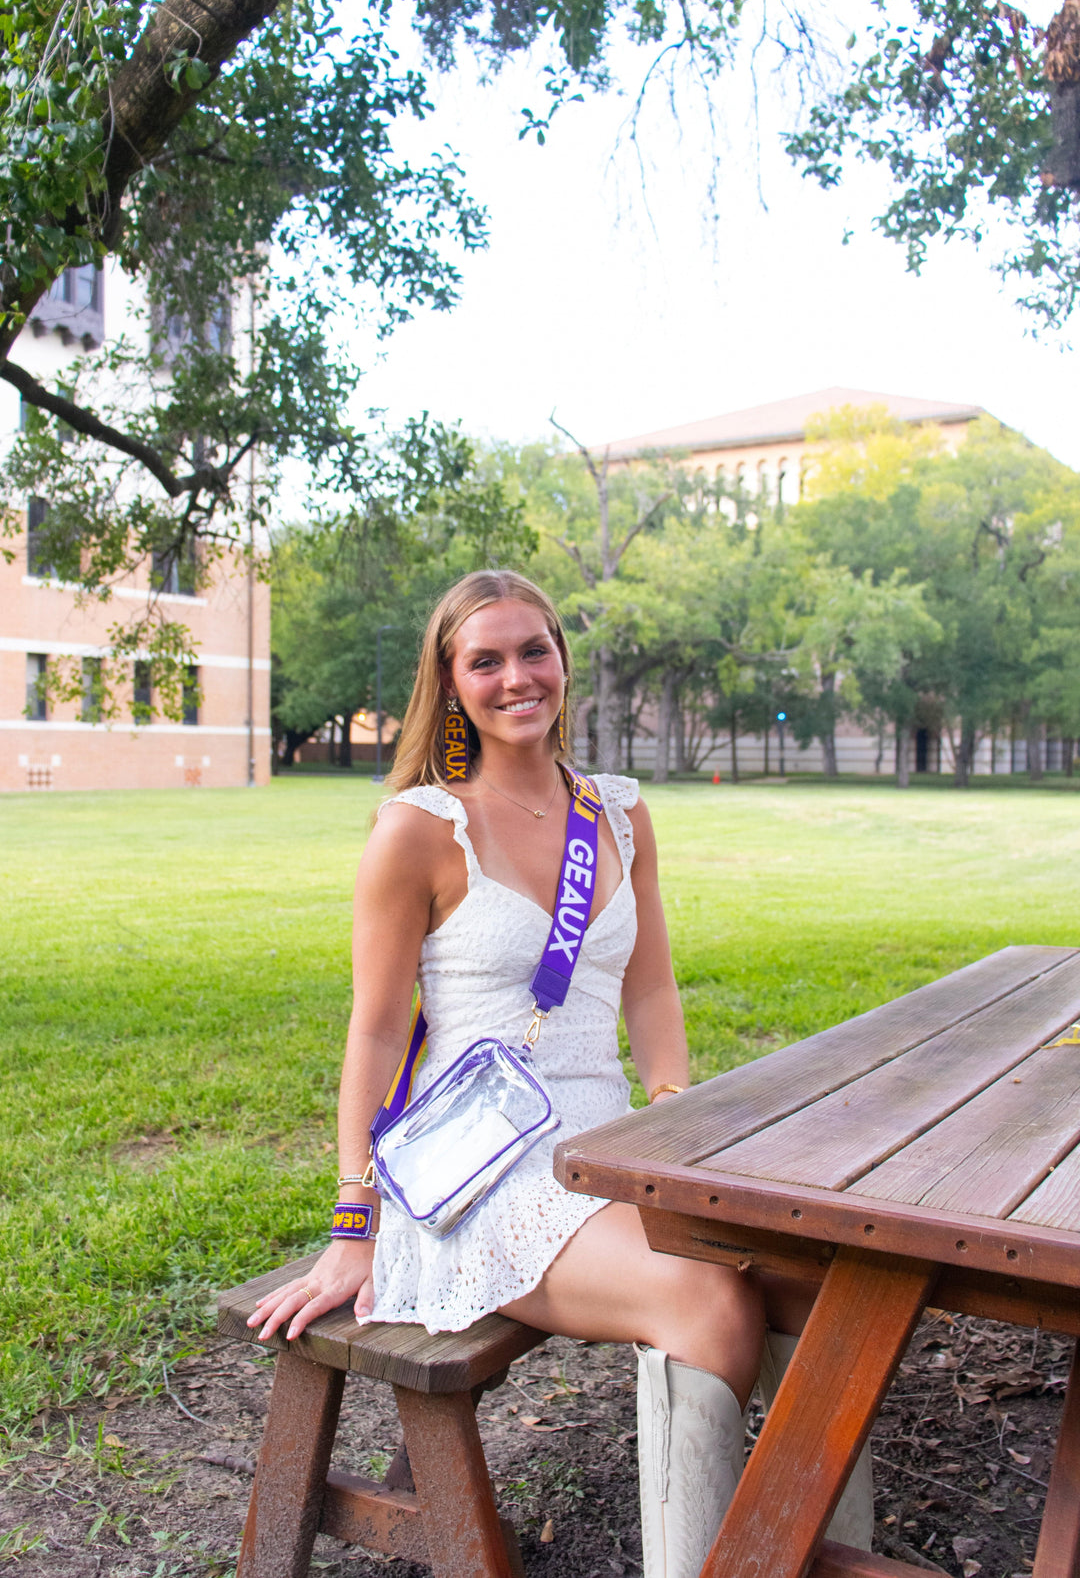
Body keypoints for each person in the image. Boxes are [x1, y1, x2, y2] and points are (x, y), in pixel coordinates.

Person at [246, 570, 870, 1573]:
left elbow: (653, 989)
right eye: (483, 660)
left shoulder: (618, 814)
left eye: (534, 650)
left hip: (608, 1145)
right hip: (479, 1172)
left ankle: (829, 1549)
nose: (515, 677)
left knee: (818, 1270)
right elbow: (372, 1035)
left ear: (564, 661)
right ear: (450, 684)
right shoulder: (418, 828)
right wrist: (351, 1224)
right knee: (705, 1303)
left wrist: (675, 1114)